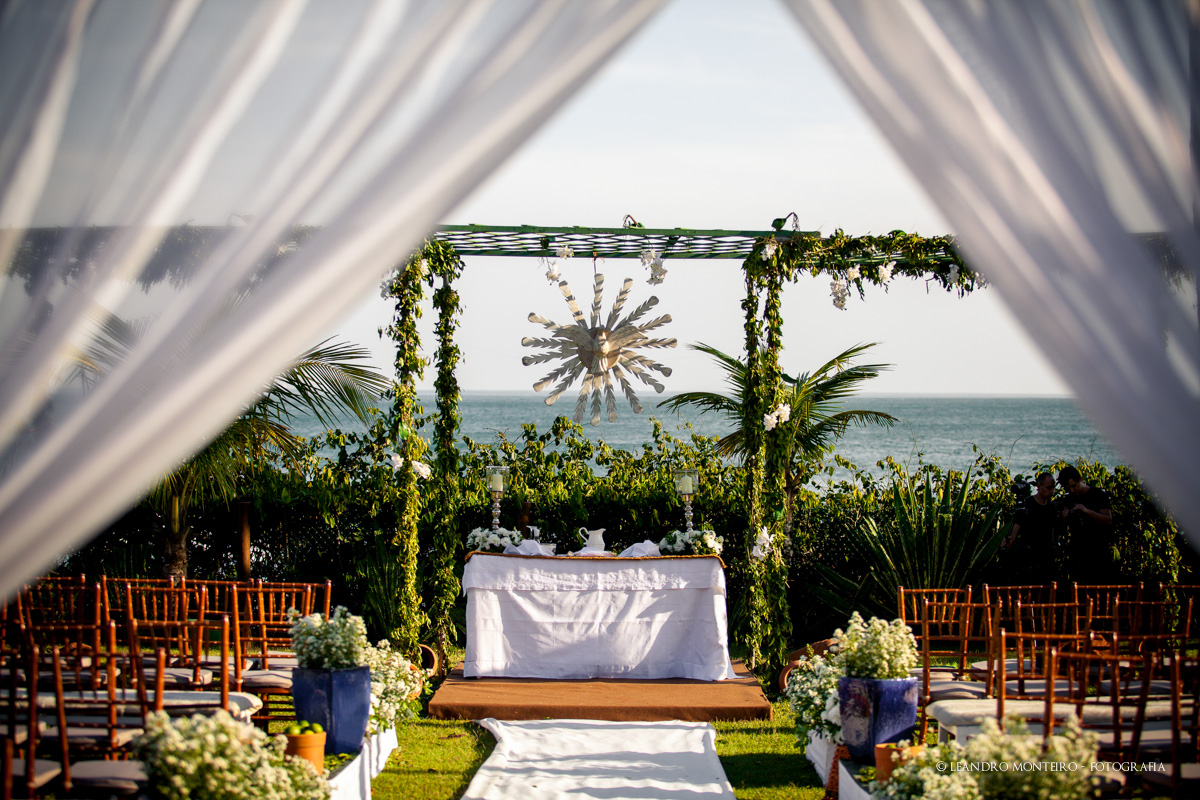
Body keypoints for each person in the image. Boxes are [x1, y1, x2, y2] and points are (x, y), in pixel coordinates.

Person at [1056, 465, 1116, 582]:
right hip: (1078, 553)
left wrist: (1087, 511)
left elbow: (1108, 520)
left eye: (1074, 486)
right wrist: (1063, 517)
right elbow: (1060, 527)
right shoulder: (1068, 500)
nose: (1072, 491)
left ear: (1080, 479)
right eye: (1068, 489)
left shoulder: (1098, 495)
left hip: (1099, 551)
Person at [1003, 472, 1060, 583]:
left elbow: (1055, 530)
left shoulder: (1051, 507)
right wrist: (1008, 542)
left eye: (1053, 488)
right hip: (1029, 556)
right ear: (1039, 486)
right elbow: (1014, 531)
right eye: (1048, 488)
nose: (1051, 491)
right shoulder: (1027, 505)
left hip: (1046, 556)